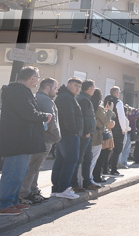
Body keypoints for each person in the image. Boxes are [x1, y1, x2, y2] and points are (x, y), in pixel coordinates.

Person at [0, 67, 53, 215]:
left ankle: (12, 201)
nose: (38, 80)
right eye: (37, 77)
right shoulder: (18, 92)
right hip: (17, 140)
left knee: (19, 173)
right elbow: (28, 112)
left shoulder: (21, 91)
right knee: (12, 173)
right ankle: (4, 204)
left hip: (22, 140)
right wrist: (44, 116)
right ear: (31, 78)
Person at [19, 77, 60, 205]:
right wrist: (57, 136)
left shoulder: (38, 97)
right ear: (47, 88)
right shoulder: (45, 100)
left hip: (42, 138)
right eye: (55, 88)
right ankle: (25, 193)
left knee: (35, 167)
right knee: (34, 167)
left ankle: (33, 191)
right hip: (45, 138)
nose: (56, 91)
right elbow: (51, 121)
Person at [51, 78, 84, 199]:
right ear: (68, 85)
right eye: (75, 85)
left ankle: (57, 189)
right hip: (69, 135)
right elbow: (68, 117)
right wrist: (74, 131)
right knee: (70, 160)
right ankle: (64, 188)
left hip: (65, 134)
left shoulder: (66, 96)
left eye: (79, 87)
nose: (77, 89)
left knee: (61, 161)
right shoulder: (66, 97)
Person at [74, 80, 98, 191]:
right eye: (93, 88)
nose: (94, 90)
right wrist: (86, 131)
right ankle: (74, 184)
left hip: (86, 134)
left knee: (88, 158)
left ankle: (87, 181)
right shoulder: (83, 100)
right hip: (84, 134)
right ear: (89, 88)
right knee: (79, 159)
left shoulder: (85, 98)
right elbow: (82, 117)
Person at [89, 90, 112, 186]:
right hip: (96, 136)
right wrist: (110, 111)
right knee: (94, 159)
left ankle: (88, 178)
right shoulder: (98, 108)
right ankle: (91, 179)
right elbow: (106, 121)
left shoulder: (89, 105)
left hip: (89, 135)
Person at [107, 87, 127, 176]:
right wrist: (123, 129)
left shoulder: (106, 100)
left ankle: (105, 168)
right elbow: (121, 117)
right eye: (119, 92)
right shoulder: (118, 102)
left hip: (107, 127)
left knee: (107, 149)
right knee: (117, 149)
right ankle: (113, 169)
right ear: (116, 93)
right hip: (117, 128)